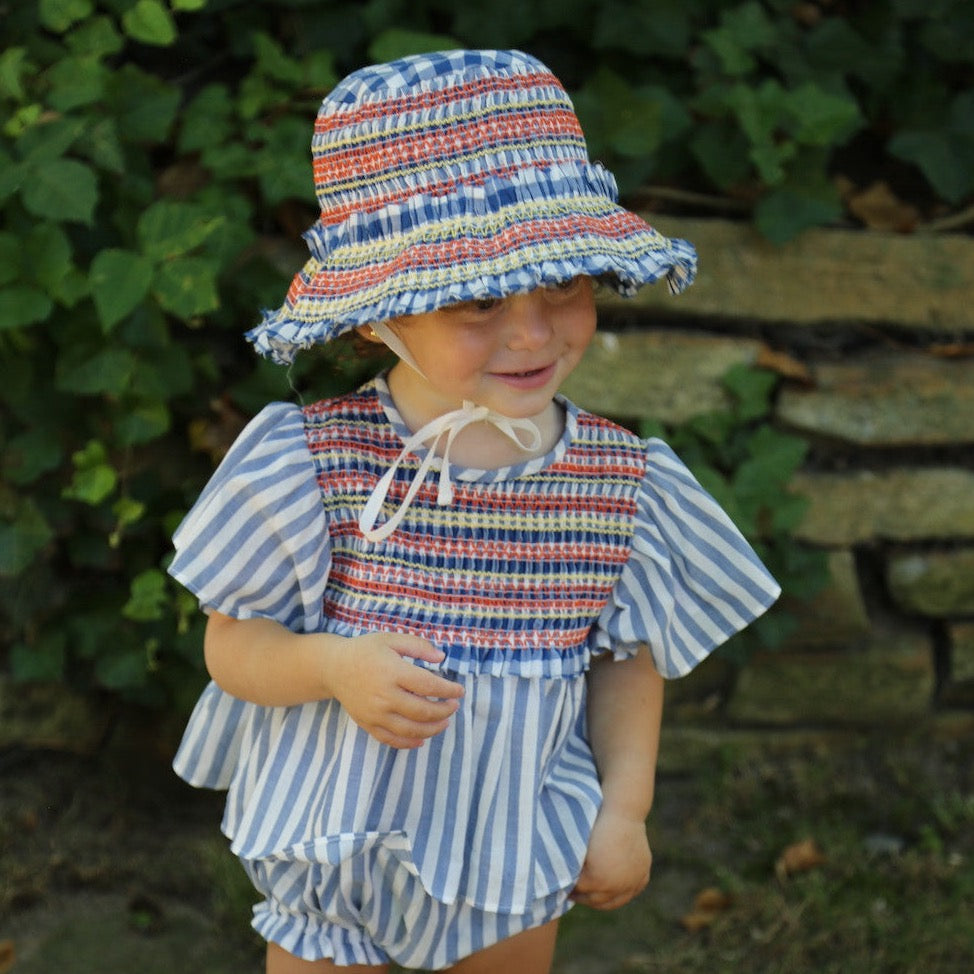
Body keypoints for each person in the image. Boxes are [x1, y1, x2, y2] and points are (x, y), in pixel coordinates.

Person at [168, 49, 780, 974]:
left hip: (513, 848)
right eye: (480, 300)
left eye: (562, 285)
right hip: (337, 841)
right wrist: (331, 666)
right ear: (379, 316)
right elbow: (230, 648)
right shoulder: (315, 462)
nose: (533, 333)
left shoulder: (618, 483)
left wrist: (624, 811)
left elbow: (627, 661)